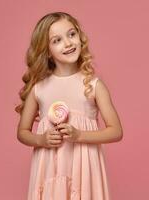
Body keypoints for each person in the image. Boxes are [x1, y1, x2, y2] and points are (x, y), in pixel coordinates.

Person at [15, 11, 123, 200]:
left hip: (85, 171)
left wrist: (79, 135)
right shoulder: (39, 88)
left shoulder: (93, 85)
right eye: (57, 40)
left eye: (71, 34)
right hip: (50, 169)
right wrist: (41, 140)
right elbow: (22, 131)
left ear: (79, 37)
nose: (68, 43)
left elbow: (116, 131)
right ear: (47, 50)